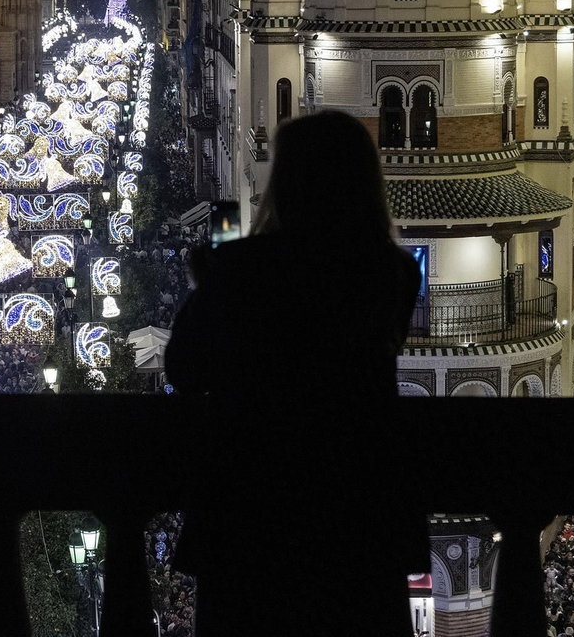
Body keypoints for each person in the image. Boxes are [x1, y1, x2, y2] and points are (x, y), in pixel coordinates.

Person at [165, 110, 423, 635]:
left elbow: (185, 368)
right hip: (358, 513)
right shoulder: (392, 272)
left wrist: (206, 286)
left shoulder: (242, 268)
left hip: (253, 513)